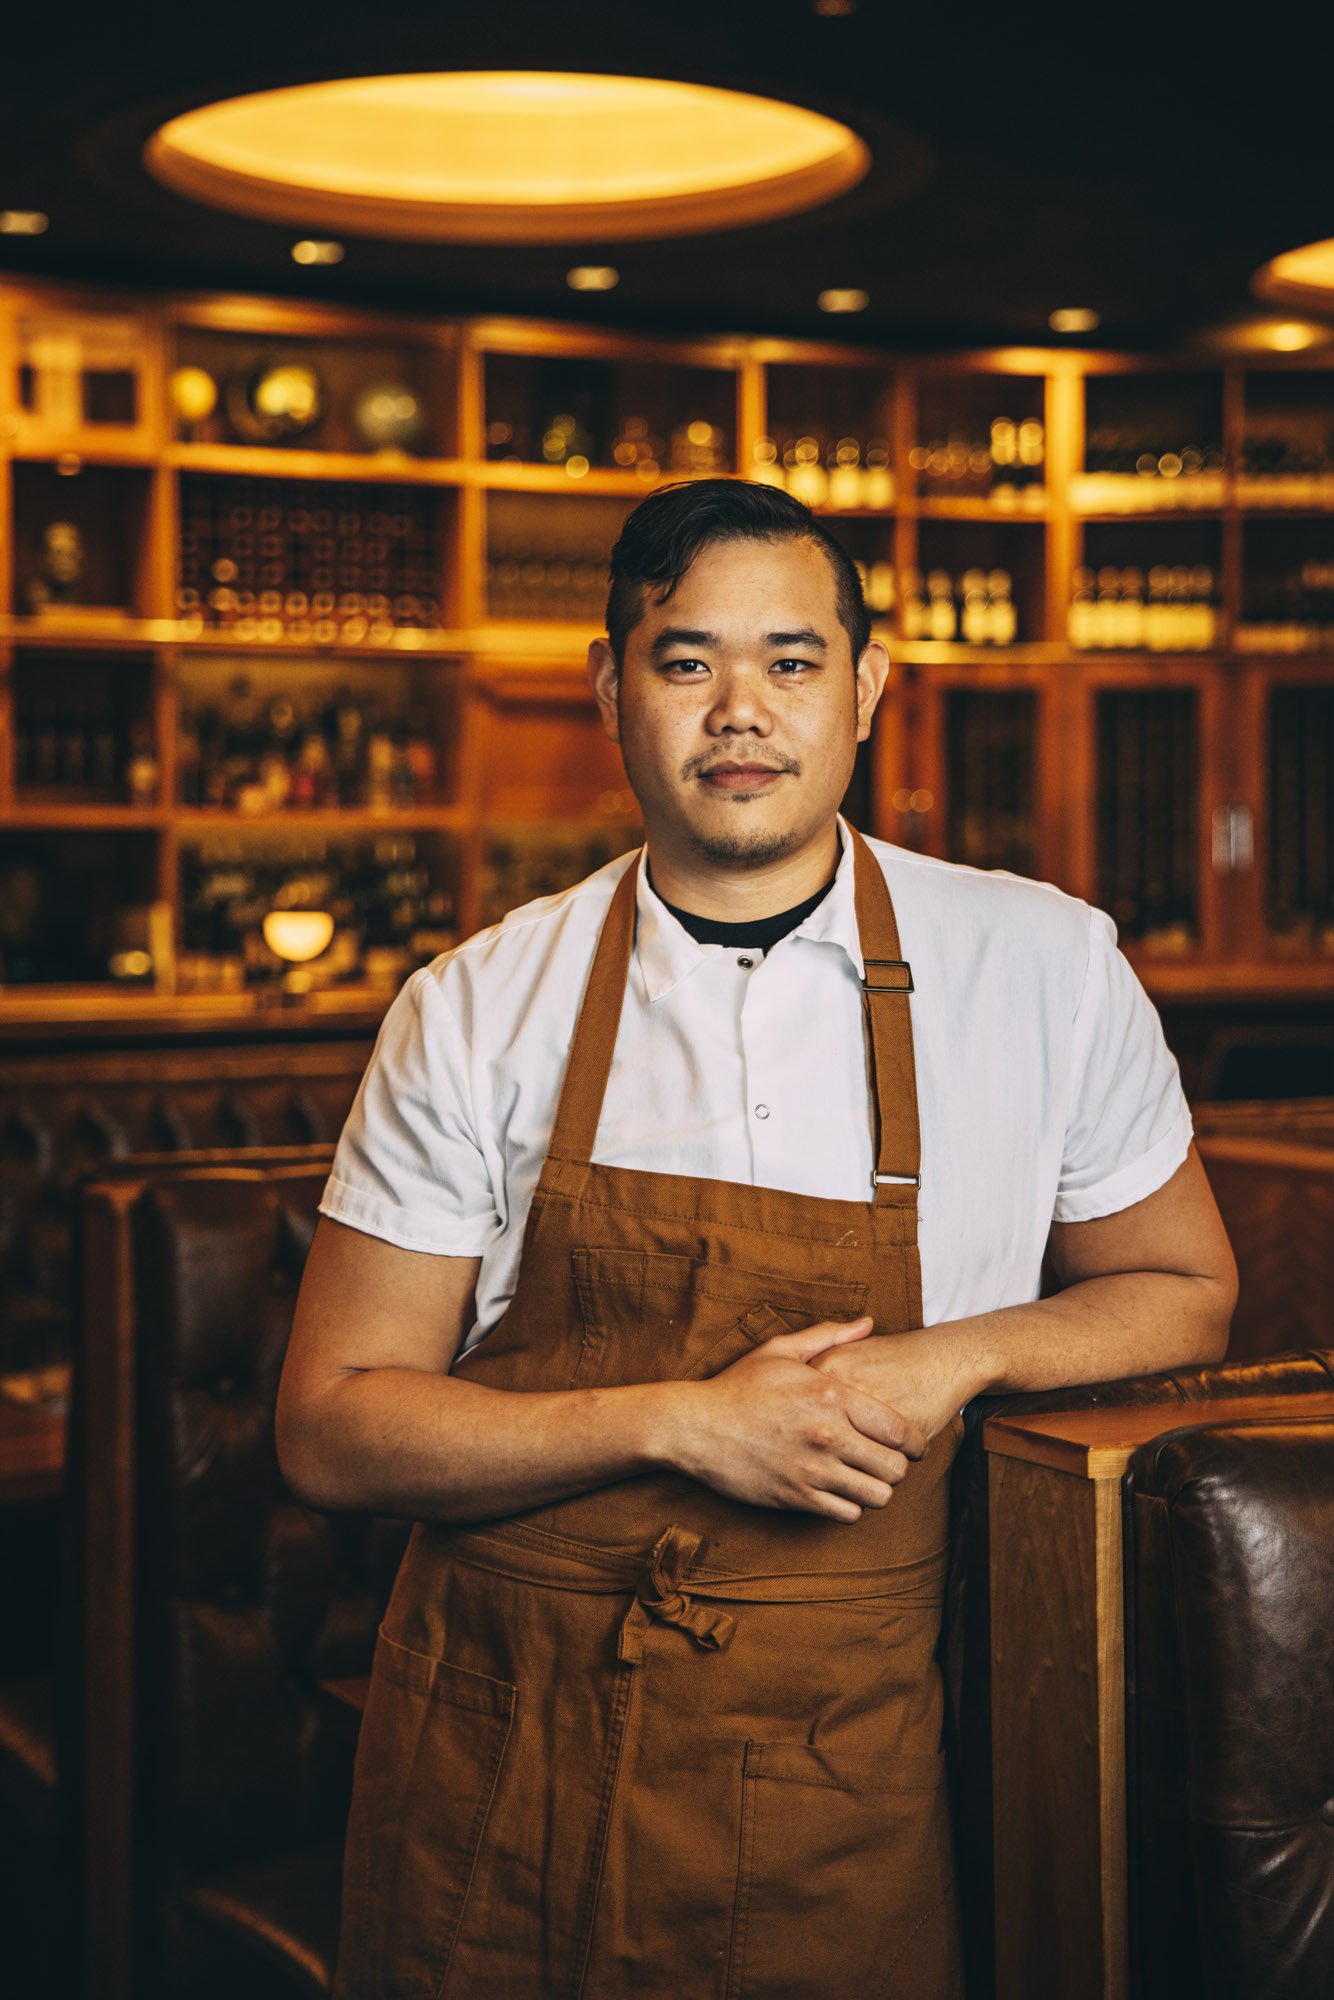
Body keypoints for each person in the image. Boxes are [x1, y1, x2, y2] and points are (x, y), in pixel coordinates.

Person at [276, 479, 1236, 2000]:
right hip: (499, 1742)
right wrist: (687, 1425)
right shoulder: (472, 1005)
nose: (740, 711)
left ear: (864, 687)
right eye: (684, 662)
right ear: (610, 691)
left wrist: (949, 1363)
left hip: (834, 1764)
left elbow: (1183, 1292)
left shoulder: (1041, 965)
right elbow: (332, 1433)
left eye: (790, 662)